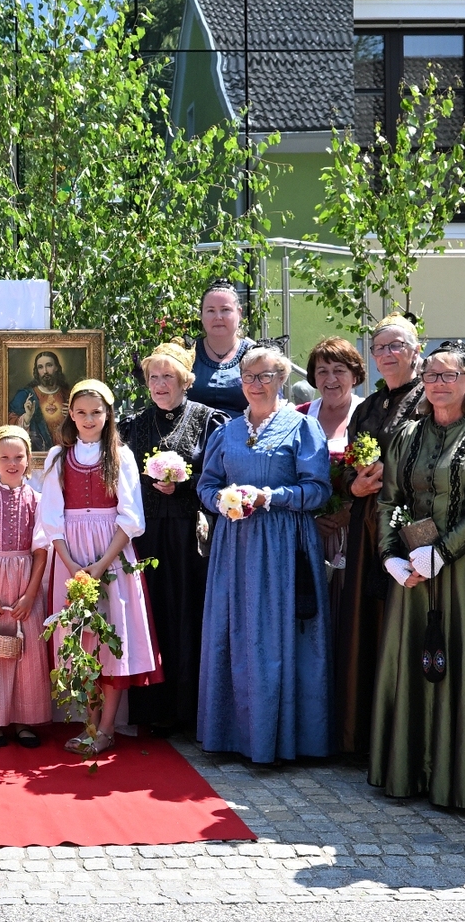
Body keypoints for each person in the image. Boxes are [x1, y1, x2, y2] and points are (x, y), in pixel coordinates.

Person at [369, 341, 465, 809]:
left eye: (448, 375)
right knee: (411, 664)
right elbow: (390, 500)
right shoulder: (407, 434)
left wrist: (445, 551)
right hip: (413, 572)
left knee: (464, 665)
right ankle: (410, 771)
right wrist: (391, 556)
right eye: (431, 375)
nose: (437, 383)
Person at [196, 343, 334, 762]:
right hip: (235, 547)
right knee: (235, 633)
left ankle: (285, 739)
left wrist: (270, 496)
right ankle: (232, 735)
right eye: (248, 377)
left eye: (265, 376)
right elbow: (206, 485)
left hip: (283, 546)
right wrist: (221, 500)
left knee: (278, 635)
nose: (256, 384)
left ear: (282, 379)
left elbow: (318, 490)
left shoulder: (302, 428)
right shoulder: (226, 431)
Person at [41, 379, 161, 755]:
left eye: (96, 412)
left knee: (111, 638)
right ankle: (88, 724)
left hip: (112, 554)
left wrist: (101, 565)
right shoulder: (58, 457)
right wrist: (72, 566)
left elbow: (131, 517)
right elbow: (51, 519)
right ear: (71, 415)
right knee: (82, 640)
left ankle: (106, 728)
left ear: (108, 414)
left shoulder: (120, 456)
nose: (89, 419)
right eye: (81, 412)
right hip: (71, 555)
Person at [332, 314, 424, 755]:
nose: (386, 354)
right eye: (379, 348)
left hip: (408, 522)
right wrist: (355, 484)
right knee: (363, 622)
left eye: (396, 345)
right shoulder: (367, 406)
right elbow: (350, 464)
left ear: (416, 350)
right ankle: (362, 733)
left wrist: (392, 477)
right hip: (366, 520)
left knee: (400, 621)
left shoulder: (428, 397)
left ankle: (402, 737)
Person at [120, 343, 221, 737]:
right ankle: (152, 710)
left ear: (185, 380)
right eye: (153, 377)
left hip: (189, 535)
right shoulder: (132, 425)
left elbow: (219, 477)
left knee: (188, 614)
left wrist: (184, 486)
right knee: (150, 615)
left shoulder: (209, 421)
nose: (160, 384)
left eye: (168, 376)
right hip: (146, 536)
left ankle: (189, 711)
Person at [0, 425, 52, 748]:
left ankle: (24, 720)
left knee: (26, 651)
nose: (12, 463)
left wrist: (30, 595)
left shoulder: (37, 500)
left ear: (29, 459)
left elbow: (41, 551)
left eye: (18, 457)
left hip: (26, 580)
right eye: (4, 457)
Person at [303, 336, 364, 574]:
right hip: (308, 531)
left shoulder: (368, 414)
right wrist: (311, 518)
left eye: (339, 370)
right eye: (322, 371)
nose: (330, 379)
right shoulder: (299, 416)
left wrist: (350, 512)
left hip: (357, 529)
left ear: (355, 375)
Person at [189, 280, 253, 417]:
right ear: (201, 315)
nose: (218, 317)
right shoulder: (186, 354)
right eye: (211, 311)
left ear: (239, 313)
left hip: (245, 429)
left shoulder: (255, 356)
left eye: (225, 310)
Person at [9, 350, 72, 452]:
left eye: (49, 365)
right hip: (36, 452)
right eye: (40, 367)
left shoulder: (68, 395)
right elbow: (8, 425)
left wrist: (72, 417)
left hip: (64, 452)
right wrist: (26, 417)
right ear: (36, 370)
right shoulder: (25, 395)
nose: (45, 371)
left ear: (56, 367)